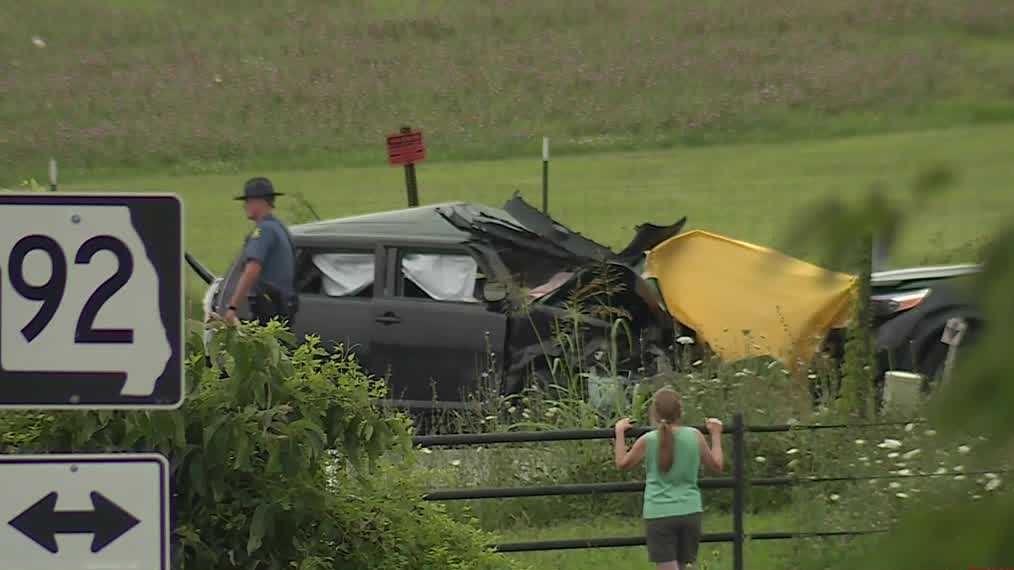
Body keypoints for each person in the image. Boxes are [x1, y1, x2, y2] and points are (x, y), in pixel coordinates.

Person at [613, 388, 725, 570]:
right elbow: (717, 465)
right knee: (682, 566)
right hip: (690, 510)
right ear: (680, 411)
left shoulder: (648, 440)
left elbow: (622, 463)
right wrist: (716, 435)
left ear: (654, 413)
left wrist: (619, 432)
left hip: (659, 512)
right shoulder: (694, 436)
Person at [223, 177, 298, 327]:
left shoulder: (264, 230)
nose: (245, 206)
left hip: (269, 306)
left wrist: (232, 307)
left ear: (260, 202)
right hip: (284, 305)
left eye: (248, 201)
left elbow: (252, 269)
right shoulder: (280, 228)